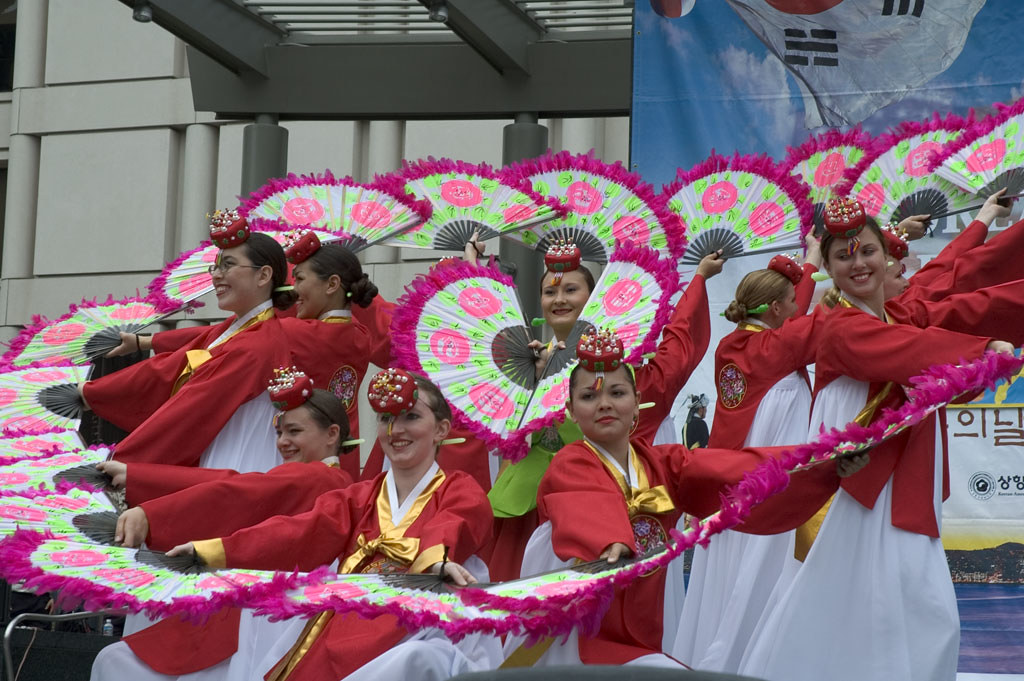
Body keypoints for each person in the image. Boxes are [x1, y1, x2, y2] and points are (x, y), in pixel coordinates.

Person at [739, 198, 1017, 681]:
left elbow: (950, 317)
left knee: (902, 610)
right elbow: (908, 351)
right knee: (862, 606)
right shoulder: (837, 327)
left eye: (865, 251)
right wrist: (979, 349)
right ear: (825, 266)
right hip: (856, 488)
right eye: (843, 257)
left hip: (897, 482)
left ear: (885, 256)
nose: (858, 263)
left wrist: (981, 361)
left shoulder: (894, 316)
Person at [504, 330, 861, 669]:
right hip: (571, 627)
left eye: (616, 392)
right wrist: (609, 539)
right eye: (588, 396)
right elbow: (582, 497)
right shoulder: (571, 462)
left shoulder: (662, 464)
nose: (604, 404)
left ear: (636, 403)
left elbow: (733, 468)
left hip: (639, 623)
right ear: (570, 411)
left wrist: (820, 461)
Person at [164, 369, 497, 681]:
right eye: (386, 419)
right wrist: (211, 551)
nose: (396, 431)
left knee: (416, 659)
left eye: (411, 417)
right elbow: (296, 532)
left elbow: (457, 521)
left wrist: (435, 560)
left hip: (424, 619)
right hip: (353, 621)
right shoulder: (359, 498)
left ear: (441, 429)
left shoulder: (458, 488)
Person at [480, 238, 725, 581]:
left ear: (594, 298)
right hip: (529, 510)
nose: (559, 299)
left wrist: (698, 279)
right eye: (550, 292)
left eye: (570, 289)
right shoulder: (526, 362)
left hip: (603, 508)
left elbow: (679, 345)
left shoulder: (624, 369)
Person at [90, 374, 356, 681]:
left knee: (116, 662)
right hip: (264, 616)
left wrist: (152, 514)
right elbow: (234, 483)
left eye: (294, 431)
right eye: (280, 431)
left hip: (269, 624)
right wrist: (140, 478)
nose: (283, 442)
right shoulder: (327, 481)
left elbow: (236, 493)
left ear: (332, 434)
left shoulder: (323, 480)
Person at [674, 248, 824, 673]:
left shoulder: (731, 346)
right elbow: (811, 325)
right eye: (791, 301)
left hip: (729, 487)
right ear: (776, 309)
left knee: (723, 578)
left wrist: (810, 260)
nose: (799, 306)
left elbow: (793, 323)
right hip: (766, 491)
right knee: (758, 574)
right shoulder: (778, 349)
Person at [82, 211, 295, 473]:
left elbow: (192, 409)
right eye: (215, 267)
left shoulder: (256, 346)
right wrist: (98, 388)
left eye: (227, 265)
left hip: (239, 461)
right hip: (220, 452)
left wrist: (127, 460)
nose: (216, 275)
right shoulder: (239, 329)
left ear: (263, 276)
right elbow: (176, 360)